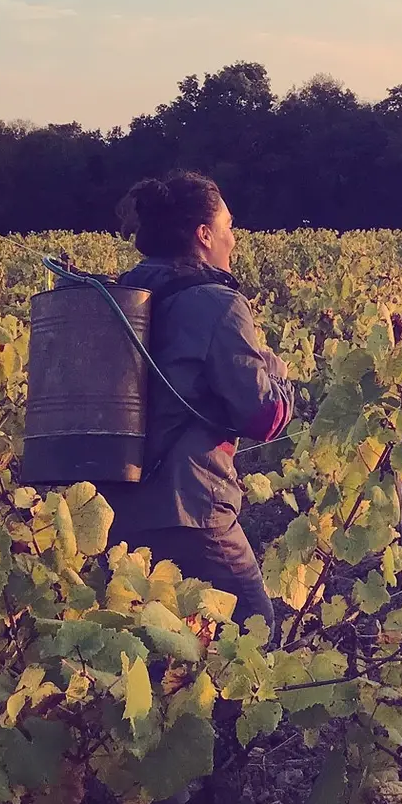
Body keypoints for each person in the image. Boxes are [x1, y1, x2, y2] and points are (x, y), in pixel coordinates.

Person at [103, 170, 293, 633]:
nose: (233, 237)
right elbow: (264, 417)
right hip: (191, 508)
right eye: (228, 226)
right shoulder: (217, 304)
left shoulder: (117, 295)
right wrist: (277, 372)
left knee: (156, 652)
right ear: (204, 235)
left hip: (111, 510)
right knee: (253, 633)